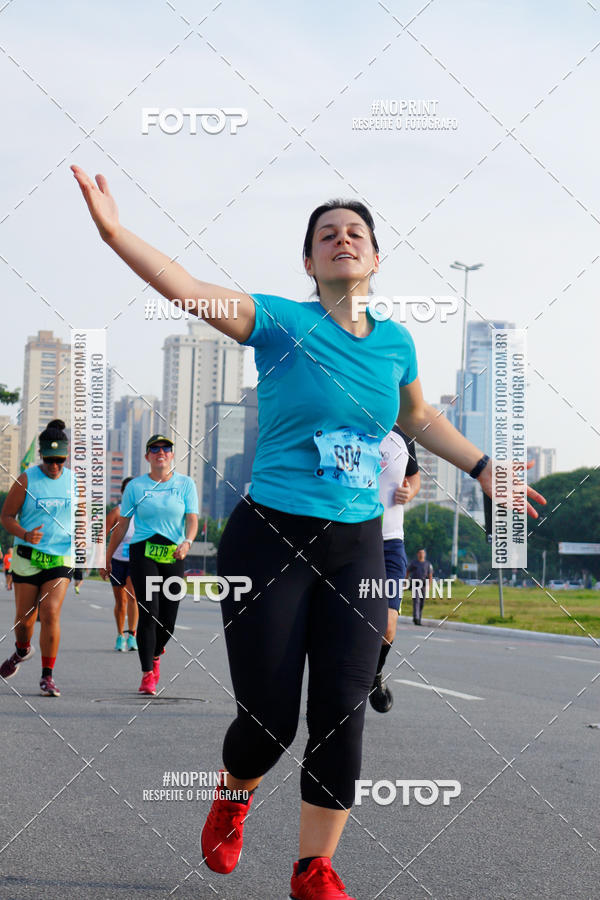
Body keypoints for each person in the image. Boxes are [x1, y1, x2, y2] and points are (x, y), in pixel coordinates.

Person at [72, 165, 546, 900]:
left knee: (341, 709)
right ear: (309, 262)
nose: (342, 239)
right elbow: (188, 289)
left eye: (356, 232)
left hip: (356, 542)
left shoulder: (394, 344)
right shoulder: (282, 321)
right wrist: (114, 232)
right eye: (327, 234)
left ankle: (313, 868)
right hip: (270, 538)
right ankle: (234, 794)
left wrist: (483, 466)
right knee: (268, 723)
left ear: (377, 258)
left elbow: (415, 418)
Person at [100, 436, 198, 694]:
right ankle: (147, 674)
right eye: (154, 449)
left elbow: (192, 520)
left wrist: (187, 542)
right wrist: (107, 556)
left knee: (168, 620)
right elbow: (122, 524)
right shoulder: (136, 486)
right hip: (143, 552)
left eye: (166, 448)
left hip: (174, 554)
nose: (160, 452)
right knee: (149, 613)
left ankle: (155, 652)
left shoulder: (185, 484)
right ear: (147, 457)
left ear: (172, 455)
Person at [0, 419, 72, 697]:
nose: (54, 466)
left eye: (60, 460)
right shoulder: (27, 479)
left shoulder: (75, 481)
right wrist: (25, 533)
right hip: (28, 558)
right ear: (41, 455)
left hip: (60, 559)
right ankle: (21, 651)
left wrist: (84, 538)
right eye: (49, 460)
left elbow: (84, 518)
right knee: (24, 619)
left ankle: (47, 676)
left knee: (51, 612)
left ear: (66, 456)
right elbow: (6, 517)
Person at [369, 426, 421, 713]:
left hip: (390, 544)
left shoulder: (402, 436)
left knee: (388, 626)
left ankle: (374, 675)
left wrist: (409, 491)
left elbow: (414, 478)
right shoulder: (345, 422)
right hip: (350, 539)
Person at [104, 477, 138, 651]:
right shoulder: (116, 513)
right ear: (123, 493)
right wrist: (103, 561)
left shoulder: (141, 513)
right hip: (117, 561)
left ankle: (132, 635)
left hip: (135, 560)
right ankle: (120, 635)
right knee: (121, 600)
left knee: (132, 596)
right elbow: (101, 536)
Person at [407, 548, 434, 626]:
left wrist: (429, 585)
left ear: (425, 554)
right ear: (417, 554)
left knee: (422, 602)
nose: (421, 554)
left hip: (424, 585)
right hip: (415, 584)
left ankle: (419, 617)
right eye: (420, 553)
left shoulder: (428, 564)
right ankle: (416, 618)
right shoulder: (414, 563)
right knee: (416, 601)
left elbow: (430, 575)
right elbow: (407, 572)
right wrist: (405, 582)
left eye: (422, 553)